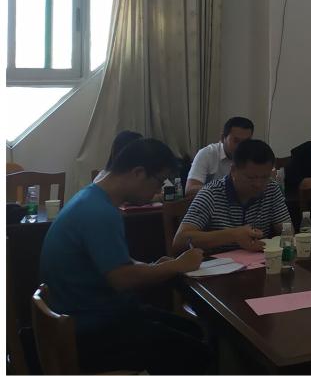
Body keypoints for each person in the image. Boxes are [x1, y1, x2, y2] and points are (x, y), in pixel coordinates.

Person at [40, 139, 209, 374]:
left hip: (84, 315)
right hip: (91, 331)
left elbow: (116, 264)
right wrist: (177, 266)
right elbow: (122, 279)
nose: (158, 191)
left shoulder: (90, 198)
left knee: (192, 331)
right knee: (198, 353)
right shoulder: (99, 212)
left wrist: (154, 267)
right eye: (159, 181)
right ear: (138, 173)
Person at [173, 139, 291, 254]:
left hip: (259, 262)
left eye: (265, 177)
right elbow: (179, 241)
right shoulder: (211, 193)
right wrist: (233, 235)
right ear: (233, 170)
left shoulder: (271, 188)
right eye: (251, 178)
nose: (258, 184)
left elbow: (287, 231)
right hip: (216, 264)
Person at [185, 116, 254, 194]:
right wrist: (227, 190)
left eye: (246, 142)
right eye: (236, 141)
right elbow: (190, 189)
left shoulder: (254, 156)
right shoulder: (207, 154)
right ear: (222, 138)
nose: (241, 147)